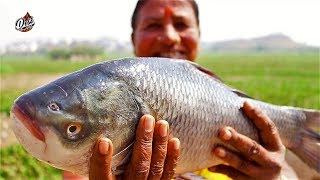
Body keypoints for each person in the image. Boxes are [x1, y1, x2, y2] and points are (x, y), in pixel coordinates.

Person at [65, 0, 297, 179]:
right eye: (153, 25)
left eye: (181, 24)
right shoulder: (94, 137)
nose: (169, 37)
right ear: (134, 38)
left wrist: (276, 177)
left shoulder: (236, 111)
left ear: (198, 35)